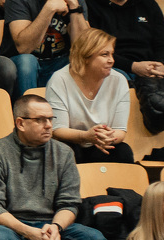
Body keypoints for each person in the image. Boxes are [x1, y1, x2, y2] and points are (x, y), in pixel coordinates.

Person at [0, 94, 107, 240]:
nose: (48, 125)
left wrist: (56, 228)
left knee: (94, 239)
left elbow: (69, 203)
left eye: (50, 119)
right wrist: (28, 231)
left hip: (52, 223)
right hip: (11, 225)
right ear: (20, 123)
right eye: (40, 120)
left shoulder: (63, 153)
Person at [0, 0, 92, 93]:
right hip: (26, 68)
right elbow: (24, 48)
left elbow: (85, 49)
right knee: (27, 61)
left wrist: (74, 6)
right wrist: (49, 8)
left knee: (79, 62)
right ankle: (27, 106)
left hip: (58, 64)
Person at [46, 27, 133, 164]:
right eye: (104, 54)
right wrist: (86, 136)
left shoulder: (119, 80)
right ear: (86, 56)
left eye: (111, 54)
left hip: (101, 144)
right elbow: (57, 129)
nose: (111, 60)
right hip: (71, 142)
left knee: (123, 151)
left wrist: (103, 138)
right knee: (66, 150)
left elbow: (120, 130)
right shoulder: (59, 80)